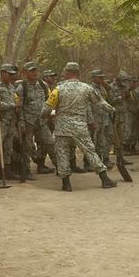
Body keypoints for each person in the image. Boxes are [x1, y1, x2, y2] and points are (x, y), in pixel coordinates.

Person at [42, 62, 116, 191]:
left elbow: (46, 108)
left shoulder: (58, 89)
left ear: (68, 72)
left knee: (62, 154)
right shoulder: (86, 88)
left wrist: (45, 115)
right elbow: (100, 103)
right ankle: (105, 179)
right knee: (90, 152)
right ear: (77, 73)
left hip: (62, 128)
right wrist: (112, 110)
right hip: (80, 127)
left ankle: (66, 184)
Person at [0, 64, 19, 180]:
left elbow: (15, 100)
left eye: (13, 75)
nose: (12, 77)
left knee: (8, 147)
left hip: (11, 121)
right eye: (10, 74)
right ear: (3, 73)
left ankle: (7, 170)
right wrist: (13, 105)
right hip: (1, 121)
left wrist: (17, 107)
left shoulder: (11, 87)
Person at [89, 70, 114, 168]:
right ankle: (90, 163)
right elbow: (88, 106)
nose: (102, 79)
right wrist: (90, 120)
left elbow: (107, 99)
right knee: (92, 140)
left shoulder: (102, 88)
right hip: (95, 118)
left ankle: (102, 160)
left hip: (103, 117)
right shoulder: (90, 89)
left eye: (102, 77)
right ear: (94, 78)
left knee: (102, 140)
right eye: (100, 77)